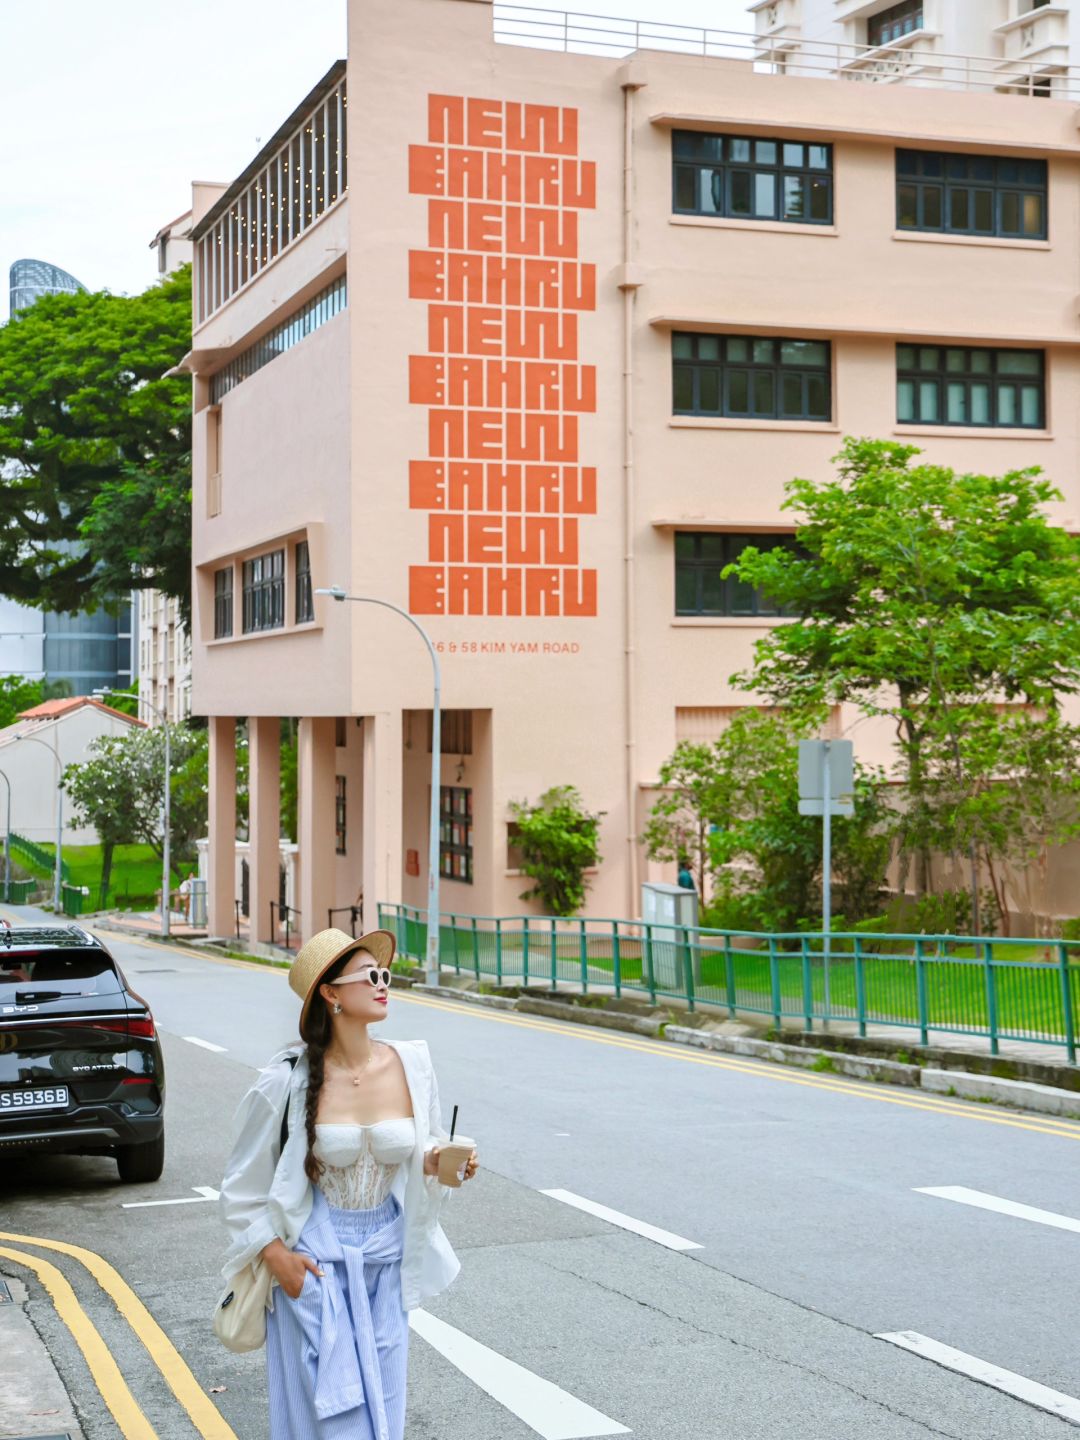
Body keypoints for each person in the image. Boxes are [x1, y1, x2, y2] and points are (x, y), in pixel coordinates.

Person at [219, 927, 478, 1440]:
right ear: (331, 994)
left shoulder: (412, 1065)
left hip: (387, 1258)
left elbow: (418, 1148)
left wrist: (443, 1162)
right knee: (330, 1419)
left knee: (383, 1411)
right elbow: (241, 1187)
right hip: (313, 1260)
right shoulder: (286, 1080)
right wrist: (278, 1260)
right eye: (370, 976)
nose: (384, 984)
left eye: (385, 975)